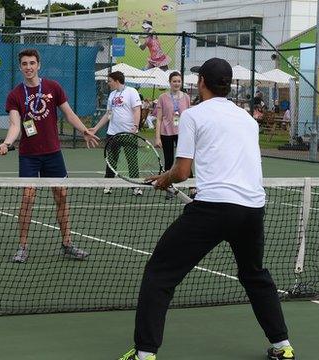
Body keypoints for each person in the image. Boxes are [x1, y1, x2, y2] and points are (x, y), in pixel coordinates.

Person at [117, 58, 294, 360]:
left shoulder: (193, 115)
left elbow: (183, 171)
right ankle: (283, 347)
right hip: (252, 209)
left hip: (214, 210)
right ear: (227, 84)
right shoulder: (248, 120)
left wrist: (165, 179)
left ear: (201, 84)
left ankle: (145, 354)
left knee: (159, 274)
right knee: (254, 274)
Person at [0, 48, 99, 264]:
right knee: (27, 199)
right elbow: (15, 124)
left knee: (61, 196)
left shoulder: (53, 87)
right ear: (20, 67)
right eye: (24, 64)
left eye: (32, 63)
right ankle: (23, 247)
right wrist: (7, 142)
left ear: (39, 65)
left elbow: (69, 113)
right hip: (29, 156)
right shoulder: (15, 95)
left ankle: (67, 243)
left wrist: (84, 130)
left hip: (53, 154)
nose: (29, 67)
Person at [90, 71, 143, 196]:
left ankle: (136, 186)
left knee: (132, 160)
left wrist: (135, 125)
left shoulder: (131, 92)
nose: (108, 84)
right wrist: (95, 128)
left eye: (109, 81)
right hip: (112, 133)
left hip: (129, 133)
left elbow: (137, 110)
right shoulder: (112, 95)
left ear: (116, 80)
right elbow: (109, 114)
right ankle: (108, 184)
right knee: (111, 160)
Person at [153, 71, 193, 200]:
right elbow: (159, 119)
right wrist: (157, 137)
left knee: (185, 160)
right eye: (174, 81)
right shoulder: (162, 97)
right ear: (170, 83)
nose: (176, 83)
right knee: (169, 161)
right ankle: (169, 188)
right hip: (167, 133)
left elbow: (189, 117)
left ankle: (193, 188)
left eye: (179, 81)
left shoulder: (186, 97)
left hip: (182, 133)